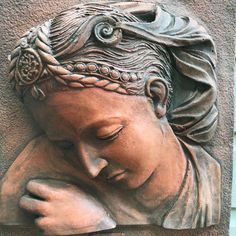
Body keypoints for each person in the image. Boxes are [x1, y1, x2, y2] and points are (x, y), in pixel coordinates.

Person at [4, 2, 221, 235]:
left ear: (157, 96)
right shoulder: (35, 166)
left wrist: (98, 226)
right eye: (64, 145)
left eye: (105, 135)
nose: (91, 168)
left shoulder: (206, 186)